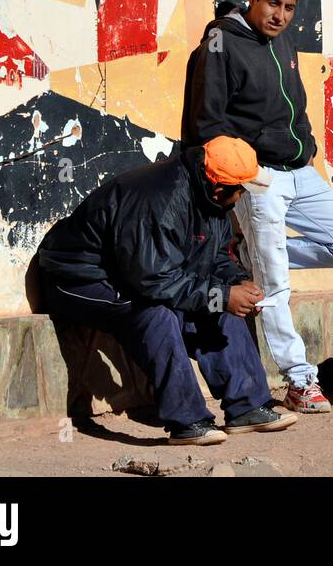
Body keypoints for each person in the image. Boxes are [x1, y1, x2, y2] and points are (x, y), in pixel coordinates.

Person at [183, 0, 333, 414]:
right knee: (276, 283)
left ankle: (253, 259)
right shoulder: (220, 43)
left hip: (300, 169)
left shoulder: (282, 41)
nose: (280, 15)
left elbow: (295, 102)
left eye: (288, 8)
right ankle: (300, 381)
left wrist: (306, 145)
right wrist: (241, 175)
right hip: (258, 176)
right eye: (272, 4)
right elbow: (208, 122)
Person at [36, 136, 297, 445]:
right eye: (240, 190)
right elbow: (152, 281)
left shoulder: (210, 198)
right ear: (219, 188)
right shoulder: (160, 200)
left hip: (139, 272)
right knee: (156, 314)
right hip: (78, 277)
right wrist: (223, 296)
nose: (242, 196)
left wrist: (235, 283)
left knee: (220, 307)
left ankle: (248, 407)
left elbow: (214, 257)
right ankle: (188, 422)